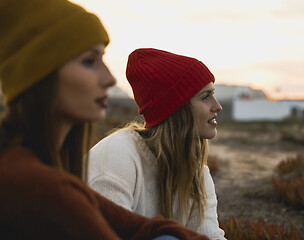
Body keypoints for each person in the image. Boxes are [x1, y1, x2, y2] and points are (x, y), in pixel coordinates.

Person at [0, 1, 210, 239]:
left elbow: (134, 225)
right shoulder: (34, 185)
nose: (110, 78)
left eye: (103, 59)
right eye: (89, 61)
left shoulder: (45, 171)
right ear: (40, 74)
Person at [87, 48, 226, 239]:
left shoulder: (197, 173)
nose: (217, 106)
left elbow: (210, 236)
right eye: (205, 96)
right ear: (177, 108)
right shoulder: (117, 155)